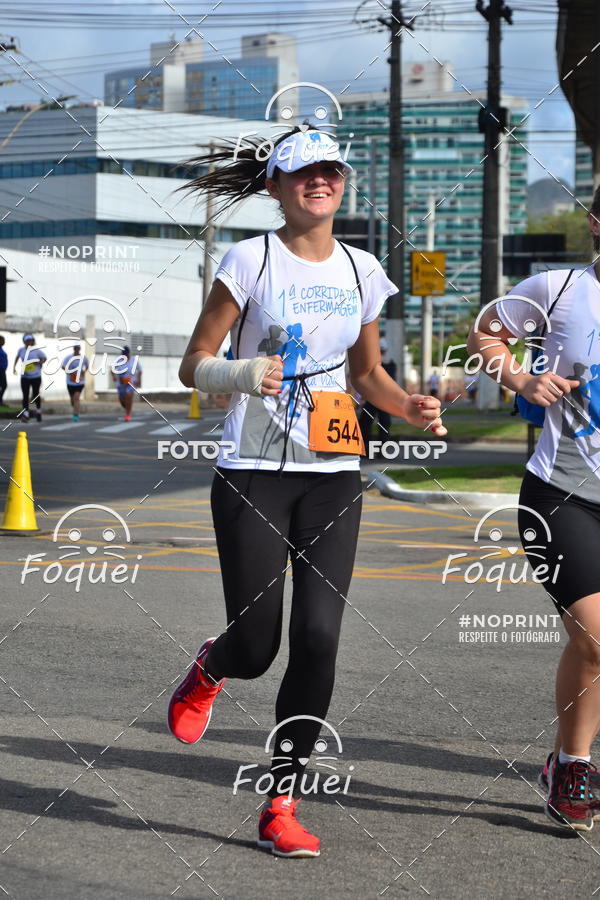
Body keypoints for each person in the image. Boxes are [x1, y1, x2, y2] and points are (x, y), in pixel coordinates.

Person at [167, 126, 447, 858]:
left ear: (341, 181)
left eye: (329, 171)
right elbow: (192, 363)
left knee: (319, 641)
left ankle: (281, 802)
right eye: (301, 173)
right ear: (276, 187)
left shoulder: (362, 268)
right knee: (257, 647)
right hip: (253, 472)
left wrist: (407, 405)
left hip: (332, 472)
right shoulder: (250, 259)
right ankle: (212, 665)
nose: (317, 182)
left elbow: (365, 375)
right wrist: (237, 373)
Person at [467, 189, 600, 833]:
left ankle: (565, 763)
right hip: (562, 492)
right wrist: (520, 379)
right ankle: (574, 767)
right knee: (599, 632)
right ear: (597, 223)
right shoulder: (559, 288)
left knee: (591, 643)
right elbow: (488, 331)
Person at [358, 340, 397, 453]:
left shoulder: (384, 364)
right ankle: (368, 449)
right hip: (376, 399)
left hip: (378, 399)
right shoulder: (385, 364)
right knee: (367, 423)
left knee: (378, 423)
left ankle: (376, 450)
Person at [13, 333, 46, 422]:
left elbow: (44, 358)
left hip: (36, 376)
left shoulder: (37, 351)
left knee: (35, 394)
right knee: (25, 395)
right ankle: (26, 414)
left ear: (33, 341)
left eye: (30, 340)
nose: (29, 342)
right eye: (27, 341)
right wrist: (14, 368)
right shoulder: (21, 350)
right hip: (25, 376)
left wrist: (39, 363)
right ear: (24, 341)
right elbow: (17, 357)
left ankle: (38, 411)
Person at [111, 345, 141, 421]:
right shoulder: (119, 361)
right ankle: (128, 409)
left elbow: (140, 370)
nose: (125, 356)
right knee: (122, 400)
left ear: (129, 353)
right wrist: (114, 376)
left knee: (129, 396)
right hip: (121, 383)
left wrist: (138, 380)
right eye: (123, 354)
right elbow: (112, 370)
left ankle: (128, 414)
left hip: (131, 382)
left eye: (126, 354)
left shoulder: (134, 360)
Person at [61, 343, 89, 421]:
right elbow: (63, 366)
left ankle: (75, 415)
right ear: (74, 349)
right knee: (72, 400)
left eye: (78, 348)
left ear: (79, 349)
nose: (77, 350)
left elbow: (87, 366)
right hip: (70, 382)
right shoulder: (68, 357)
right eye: (75, 348)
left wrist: (84, 371)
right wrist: (69, 371)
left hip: (80, 382)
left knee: (77, 398)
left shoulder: (84, 358)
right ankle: (75, 407)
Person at [0, 336, 7, 406]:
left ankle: (0, 400)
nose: (4, 342)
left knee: (4, 386)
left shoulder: (1, 349)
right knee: (3, 385)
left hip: (2, 370)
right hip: (0, 370)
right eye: (2, 340)